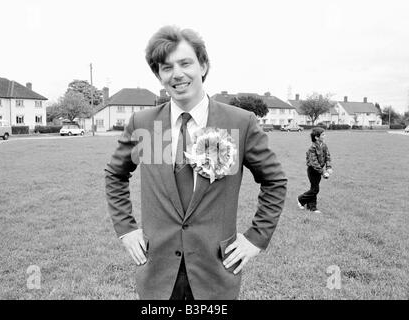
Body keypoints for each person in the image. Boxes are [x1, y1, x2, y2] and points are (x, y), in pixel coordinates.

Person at [105, 25, 287, 300]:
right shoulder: (143, 124)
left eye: (185, 63)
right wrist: (126, 230)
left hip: (215, 271)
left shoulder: (240, 122)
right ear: (159, 76)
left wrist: (256, 238)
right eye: (166, 68)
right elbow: (115, 175)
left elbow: (274, 181)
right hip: (157, 273)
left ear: (203, 65)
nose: (176, 73)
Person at [297, 127, 333, 214]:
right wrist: (323, 172)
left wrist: (328, 167)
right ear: (316, 137)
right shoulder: (312, 148)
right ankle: (301, 199)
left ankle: (311, 207)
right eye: (323, 135)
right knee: (315, 189)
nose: (325, 136)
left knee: (314, 188)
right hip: (312, 170)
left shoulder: (324, 145)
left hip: (319, 170)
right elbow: (314, 163)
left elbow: (328, 157)